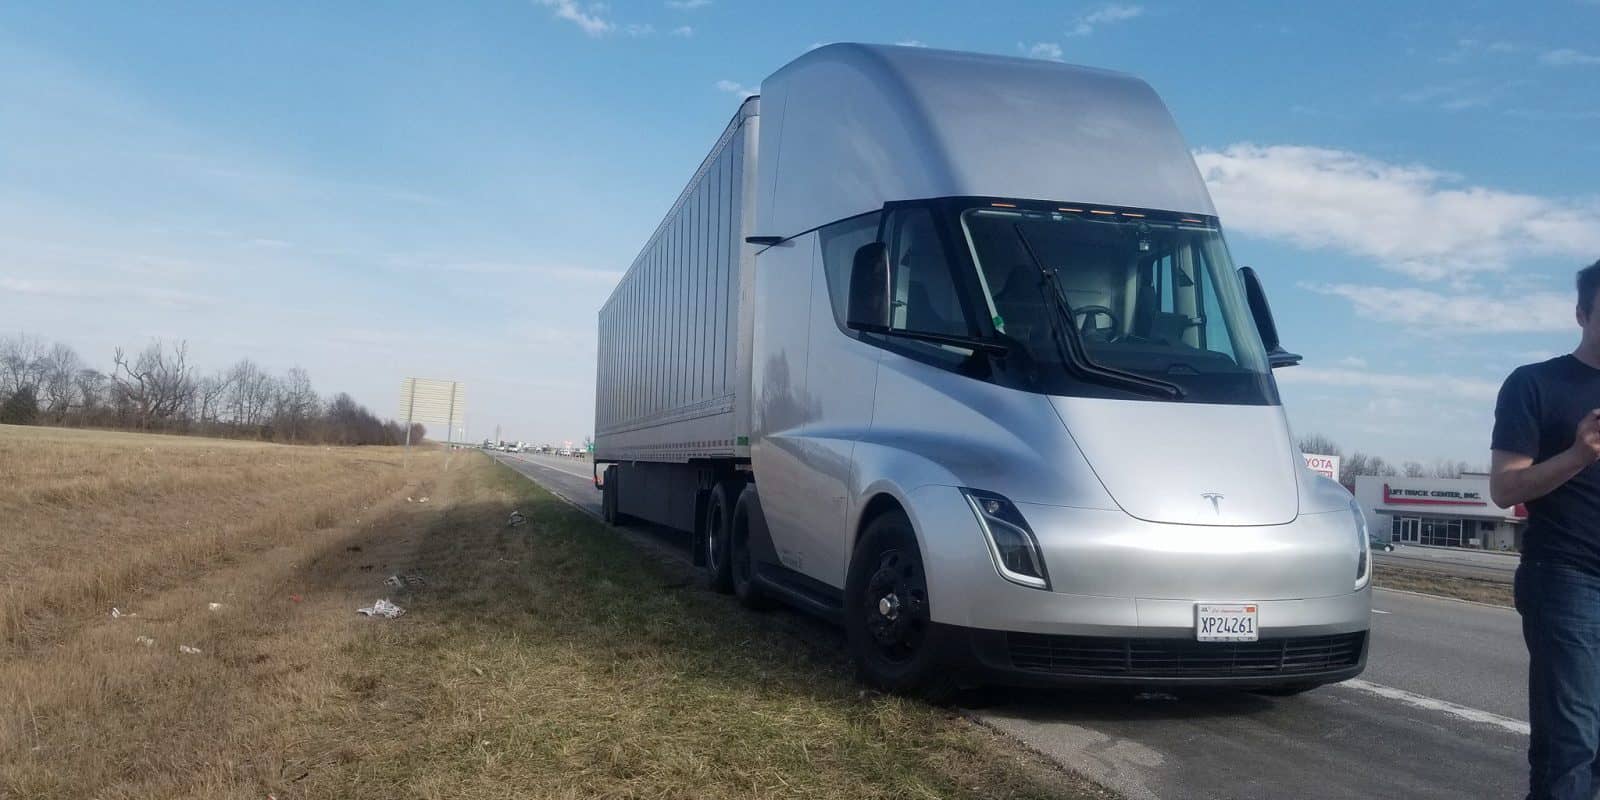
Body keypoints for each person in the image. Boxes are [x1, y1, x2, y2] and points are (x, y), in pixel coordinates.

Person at [1491, 258, 1600, 800]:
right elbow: (1505, 489)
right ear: (1581, 313)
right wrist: (1579, 455)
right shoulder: (1535, 384)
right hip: (1565, 576)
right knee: (1573, 740)